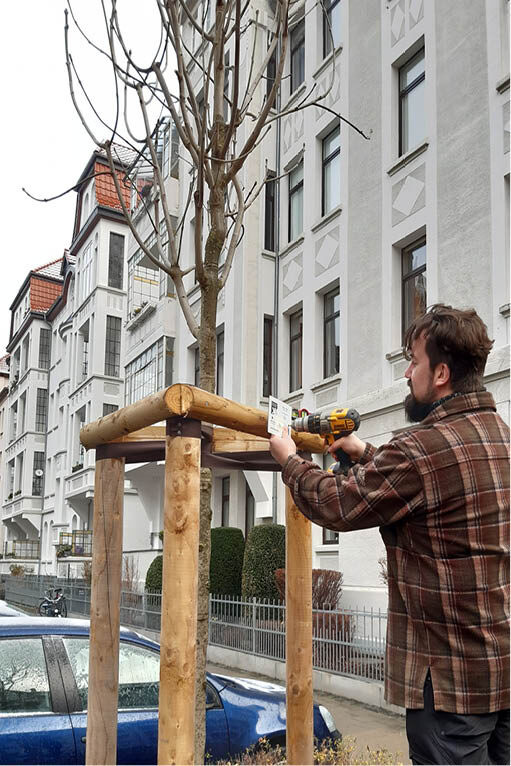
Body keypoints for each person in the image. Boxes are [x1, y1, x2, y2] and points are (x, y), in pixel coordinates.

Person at [269, 304, 510, 765]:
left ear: (441, 373)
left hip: (447, 688)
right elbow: (432, 485)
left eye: (413, 361)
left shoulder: (420, 449)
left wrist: (289, 459)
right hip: (498, 673)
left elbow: (336, 505)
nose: (405, 373)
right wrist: (365, 454)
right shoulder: (498, 435)